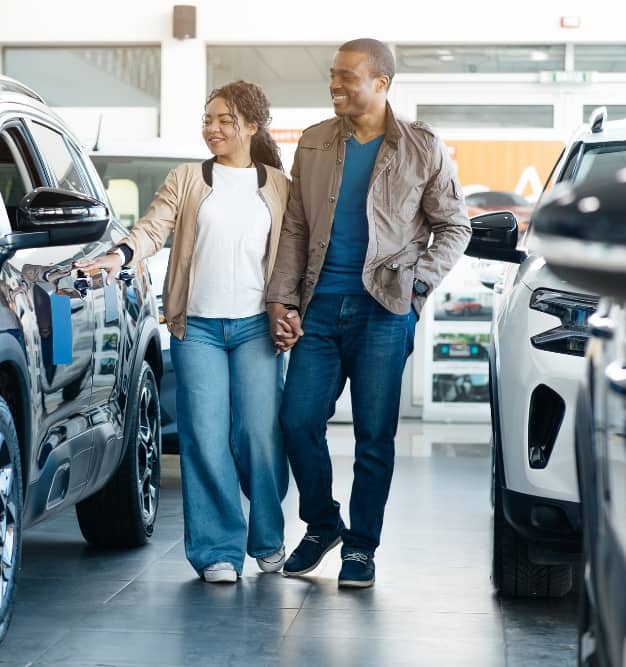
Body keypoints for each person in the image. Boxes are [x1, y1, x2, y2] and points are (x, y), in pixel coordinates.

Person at [266, 38, 471, 588]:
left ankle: (361, 546)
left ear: (381, 83)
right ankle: (322, 524)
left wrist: (418, 287)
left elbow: (455, 226)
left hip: (384, 310)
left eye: (346, 76)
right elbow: (296, 227)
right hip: (319, 308)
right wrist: (283, 298)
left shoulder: (422, 147)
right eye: (332, 74)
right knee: (297, 421)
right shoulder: (313, 142)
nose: (334, 84)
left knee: (374, 436)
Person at [76, 81, 291, 583]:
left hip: (257, 328)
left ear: (251, 126)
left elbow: (294, 255)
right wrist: (121, 255)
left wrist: (294, 308)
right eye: (207, 119)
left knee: (259, 436)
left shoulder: (280, 186)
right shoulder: (187, 178)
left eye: (224, 120)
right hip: (197, 329)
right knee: (205, 437)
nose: (212, 128)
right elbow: (154, 227)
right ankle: (217, 550)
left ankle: (268, 534)